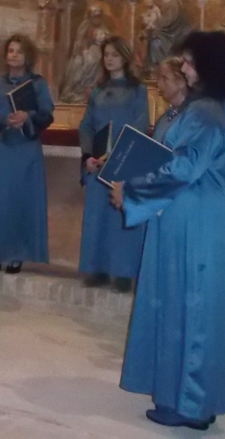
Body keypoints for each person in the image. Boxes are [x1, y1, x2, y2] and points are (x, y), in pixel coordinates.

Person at [110, 31, 225, 430]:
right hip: (192, 216)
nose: (184, 67)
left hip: (198, 221)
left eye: (189, 61)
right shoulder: (206, 106)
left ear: (207, 65)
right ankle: (186, 397)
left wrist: (133, 188)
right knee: (183, 304)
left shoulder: (205, 110)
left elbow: (184, 166)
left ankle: (192, 405)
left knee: (193, 305)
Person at [78, 37, 149, 292]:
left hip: (123, 161)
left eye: (114, 55)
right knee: (97, 216)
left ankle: (122, 272)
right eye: (106, 55)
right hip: (98, 162)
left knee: (120, 216)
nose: (109, 59)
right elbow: (87, 125)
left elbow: (141, 125)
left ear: (125, 58)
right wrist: (88, 154)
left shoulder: (138, 90)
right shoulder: (98, 91)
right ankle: (97, 269)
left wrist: (117, 153)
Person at [0, 34, 54, 274]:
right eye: (10, 50)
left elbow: (47, 114)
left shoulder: (38, 84)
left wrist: (27, 117)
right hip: (3, 147)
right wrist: (5, 120)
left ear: (28, 56)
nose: (13, 55)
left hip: (26, 149)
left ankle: (17, 254)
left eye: (19, 51)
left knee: (21, 201)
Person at [152, 56, 190, 143]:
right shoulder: (164, 118)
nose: (159, 84)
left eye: (164, 78)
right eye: (159, 78)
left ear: (180, 82)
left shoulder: (189, 118)